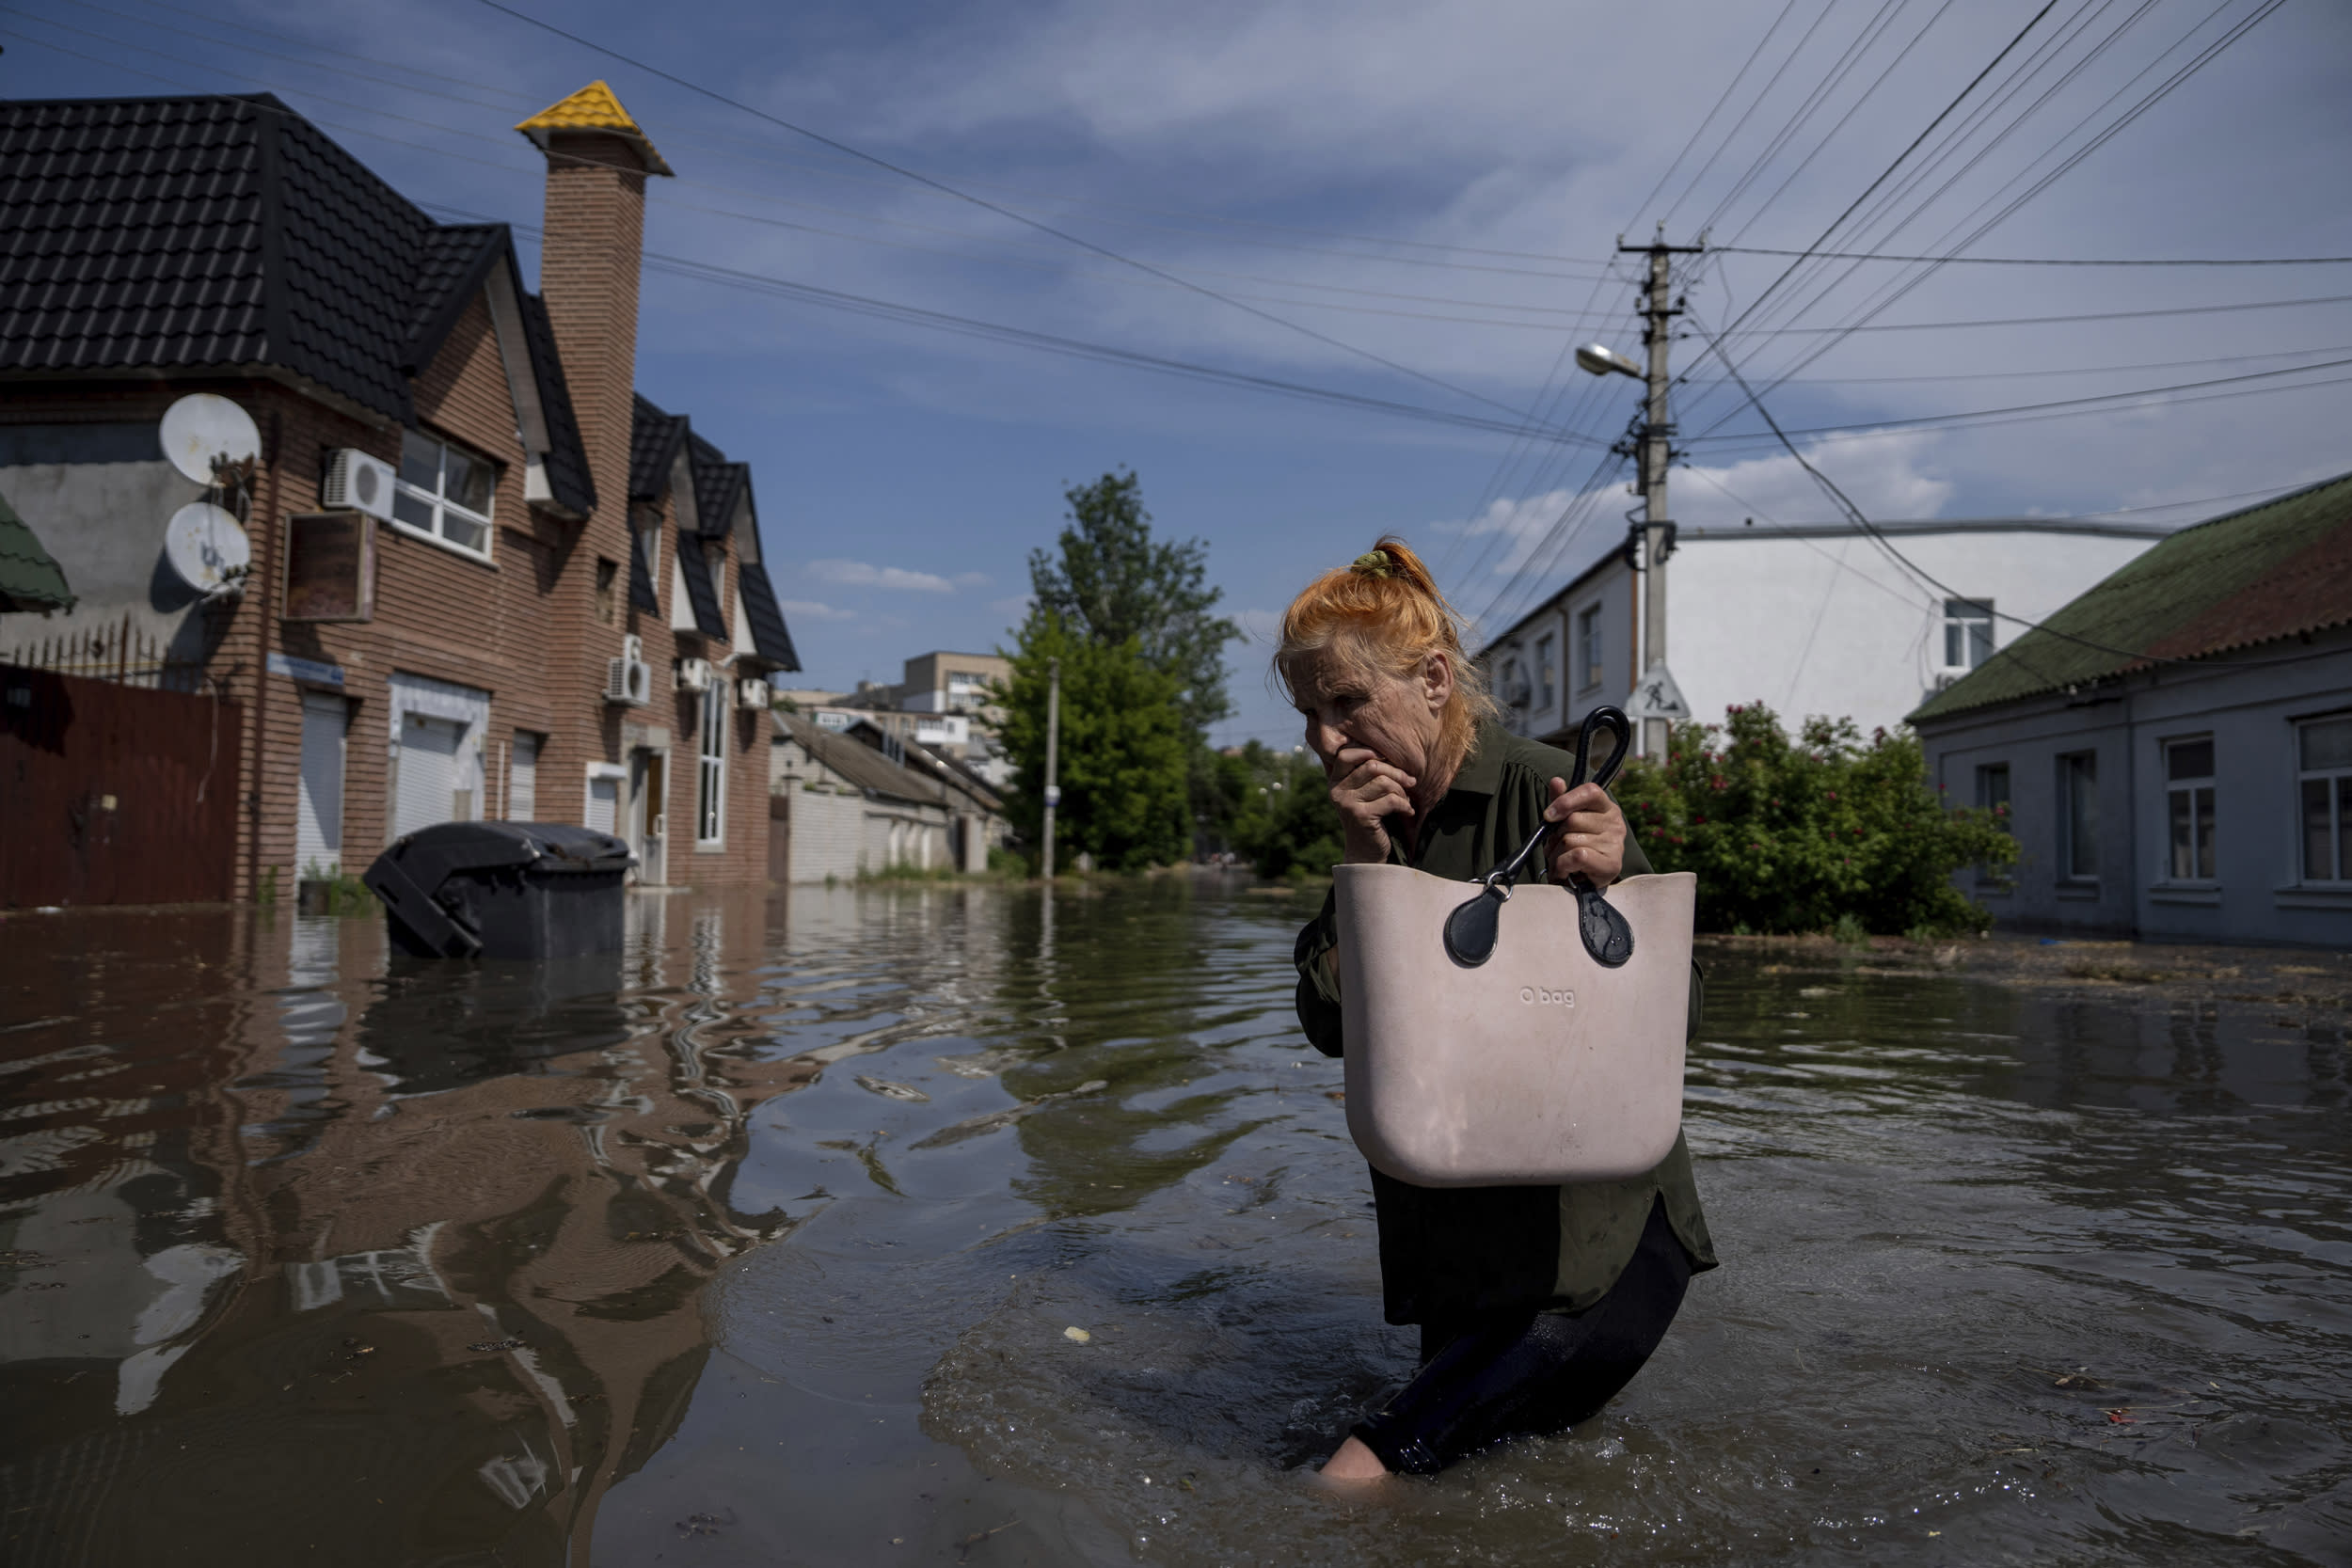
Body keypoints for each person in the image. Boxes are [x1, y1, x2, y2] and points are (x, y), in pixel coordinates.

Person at [1279, 538, 1716, 1481]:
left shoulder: (1546, 789)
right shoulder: (1379, 825)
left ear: (1434, 678)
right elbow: (1329, 1029)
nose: (1324, 737)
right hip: (1463, 1258)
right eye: (1309, 712)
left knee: (1353, 1479)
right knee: (1479, 1492)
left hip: (1593, 1255)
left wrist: (1611, 873)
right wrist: (1362, 869)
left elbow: (1676, 1018)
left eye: (1347, 702)